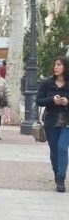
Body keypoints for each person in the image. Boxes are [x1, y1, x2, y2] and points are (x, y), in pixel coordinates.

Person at [37, 56, 69, 192]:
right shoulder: (47, 83)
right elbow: (39, 100)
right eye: (55, 65)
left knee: (62, 149)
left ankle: (61, 179)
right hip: (51, 122)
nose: (55, 67)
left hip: (66, 122)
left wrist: (67, 101)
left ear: (65, 67)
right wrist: (52, 99)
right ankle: (57, 174)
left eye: (59, 65)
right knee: (54, 151)